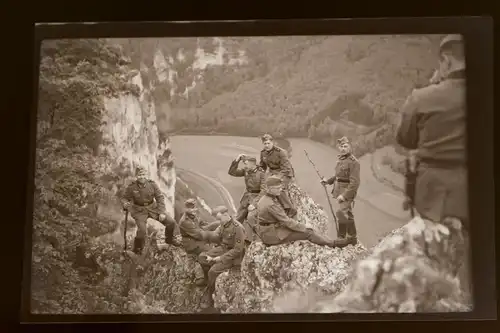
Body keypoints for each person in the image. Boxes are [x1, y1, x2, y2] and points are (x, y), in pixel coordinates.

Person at [395, 34, 469, 292]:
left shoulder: (423, 97)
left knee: (434, 253)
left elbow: (405, 138)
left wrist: (432, 88)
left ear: (446, 61)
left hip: (433, 190)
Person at [256, 175, 339, 247]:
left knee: (304, 229)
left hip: (268, 233)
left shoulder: (264, 199)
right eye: (278, 188)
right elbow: (286, 221)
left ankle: (331, 241)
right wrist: (304, 227)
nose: (280, 189)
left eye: (280, 187)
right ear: (270, 189)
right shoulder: (271, 204)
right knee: (309, 232)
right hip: (273, 236)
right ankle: (333, 244)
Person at [122, 166, 178, 255]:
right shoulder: (131, 187)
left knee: (170, 222)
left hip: (153, 208)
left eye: (143, 174)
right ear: (136, 176)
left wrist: (161, 212)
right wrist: (125, 204)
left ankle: (169, 240)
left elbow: (159, 197)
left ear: (146, 175)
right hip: (139, 211)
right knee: (142, 231)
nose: (142, 176)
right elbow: (125, 198)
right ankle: (137, 249)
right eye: (140, 175)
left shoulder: (152, 185)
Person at [198, 205, 246, 308]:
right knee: (202, 257)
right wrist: (204, 235)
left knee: (213, 271)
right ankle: (209, 281)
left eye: (219, 219)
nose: (218, 221)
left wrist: (219, 258)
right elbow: (217, 236)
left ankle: (210, 294)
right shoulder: (223, 224)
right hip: (223, 249)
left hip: (232, 255)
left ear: (225, 214)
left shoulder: (238, 228)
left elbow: (238, 250)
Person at [320, 136, 361, 247]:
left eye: (345, 146)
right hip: (339, 189)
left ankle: (351, 237)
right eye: (341, 146)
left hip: (347, 191)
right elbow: (338, 176)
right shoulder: (342, 159)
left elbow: (355, 183)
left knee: (344, 212)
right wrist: (328, 181)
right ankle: (342, 237)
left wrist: (344, 195)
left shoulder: (354, 162)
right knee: (343, 212)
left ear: (350, 147)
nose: (343, 148)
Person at [178, 198, 220, 286]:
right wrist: (215, 234)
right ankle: (206, 277)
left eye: (194, 208)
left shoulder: (194, 215)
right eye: (189, 208)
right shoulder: (185, 221)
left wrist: (215, 225)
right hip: (192, 244)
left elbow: (202, 224)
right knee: (209, 252)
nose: (192, 210)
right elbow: (200, 235)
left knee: (216, 224)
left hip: (197, 237)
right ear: (186, 209)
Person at [227, 154, 265, 243]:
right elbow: (232, 172)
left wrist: (254, 204)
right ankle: (232, 237)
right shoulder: (246, 170)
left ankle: (249, 240)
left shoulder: (261, 174)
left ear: (253, 164)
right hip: (246, 197)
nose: (245, 166)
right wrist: (237, 160)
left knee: (251, 217)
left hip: (257, 198)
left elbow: (264, 191)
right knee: (238, 217)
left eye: (246, 164)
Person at [259, 133, 297, 218]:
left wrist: (277, 178)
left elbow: (286, 168)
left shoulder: (281, 152)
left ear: (273, 143)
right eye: (265, 143)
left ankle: (290, 208)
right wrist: (259, 173)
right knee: (264, 187)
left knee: (280, 188)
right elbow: (262, 166)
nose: (267, 145)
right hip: (273, 173)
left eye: (268, 143)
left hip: (285, 173)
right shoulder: (263, 153)